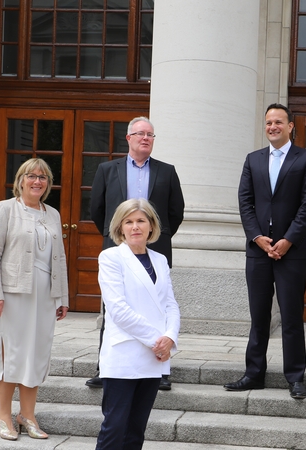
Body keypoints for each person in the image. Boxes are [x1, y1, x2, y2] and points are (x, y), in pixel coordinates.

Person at [224, 103, 306, 400]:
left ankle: (295, 377)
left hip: (293, 251)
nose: (273, 127)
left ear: (291, 126)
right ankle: (254, 373)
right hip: (258, 252)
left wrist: (288, 239)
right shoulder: (253, 160)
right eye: (268, 122)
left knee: (291, 316)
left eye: (279, 122)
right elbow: (245, 201)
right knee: (259, 316)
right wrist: (257, 237)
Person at [88, 116, 185, 390]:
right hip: (120, 247)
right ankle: (104, 367)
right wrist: (119, 237)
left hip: (156, 248)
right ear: (128, 138)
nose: (145, 138)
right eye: (140, 133)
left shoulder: (167, 171)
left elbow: (176, 213)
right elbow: (97, 210)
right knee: (115, 308)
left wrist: (157, 237)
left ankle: (161, 368)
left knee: (158, 306)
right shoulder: (108, 169)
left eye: (150, 135)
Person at [0, 158, 70, 441]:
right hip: (12, 293)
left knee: (36, 353)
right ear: (20, 180)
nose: (37, 181)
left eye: (43, 177)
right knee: (10, 353)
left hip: (45, 294)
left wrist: (63, 297)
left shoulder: (53, 214)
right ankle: (4, 415)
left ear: (48, 183)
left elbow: (59, 257)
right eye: (31, 176)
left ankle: (28, 415)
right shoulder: (5, 209)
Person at [95, 198, 180, 450]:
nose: (135, 227)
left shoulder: (160, 260)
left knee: (136, 430)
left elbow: (170, 305)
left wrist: (171, 338)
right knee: (115, 427)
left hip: (153, 358)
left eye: (141, 221)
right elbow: (118, 310)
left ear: (151, 226)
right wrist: (158, 341)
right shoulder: (110, 257)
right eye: (128, 221)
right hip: (124, 354)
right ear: (120, 227)